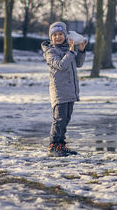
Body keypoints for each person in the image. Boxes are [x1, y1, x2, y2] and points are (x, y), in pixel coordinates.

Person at [41, 22, 87, 157]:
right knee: (59, 119)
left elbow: (78, 63)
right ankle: (53, 146)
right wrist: (72, 51)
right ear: (51, 37)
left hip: (70, 90)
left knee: (66, 118)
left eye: (60, 34)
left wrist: (81, 50)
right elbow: (61, 65)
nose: (58, 37)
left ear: (65, 35)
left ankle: (61, 144)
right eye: (54, 35)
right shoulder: (50, 52)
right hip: (59, 91)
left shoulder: (68, 49)